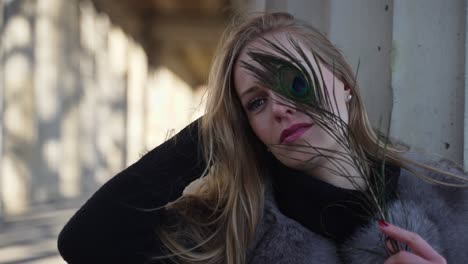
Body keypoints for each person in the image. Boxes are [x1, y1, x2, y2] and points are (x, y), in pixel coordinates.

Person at [58, 12, 468, 264]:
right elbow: (88, 242)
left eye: (294, 80)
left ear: (344, 82)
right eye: (255, 102)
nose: (278, 107)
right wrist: (216, 131)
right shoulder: (229, 232)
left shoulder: (452, 197)